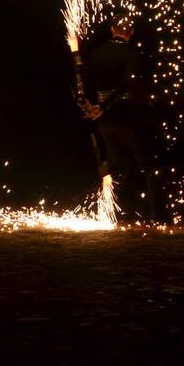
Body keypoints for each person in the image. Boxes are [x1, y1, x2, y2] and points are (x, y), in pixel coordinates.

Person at [71, 11, 165, 222]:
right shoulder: (133, 55)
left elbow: (80, 79)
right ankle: (159, 216)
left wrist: (86, 103)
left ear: (112, 29)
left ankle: (115, 214)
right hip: (126, 115)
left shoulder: (96, 54)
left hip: (103, 120)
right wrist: (104, 105)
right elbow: (127, 84)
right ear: (130, 32)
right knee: (148, 165)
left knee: (119, 165)